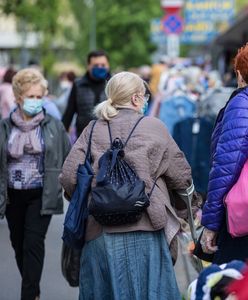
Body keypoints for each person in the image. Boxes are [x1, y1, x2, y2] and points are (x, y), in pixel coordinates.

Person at [59, 71, 201, 300]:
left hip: (100, 230)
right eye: (144, 96)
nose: (145, 101)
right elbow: (181, 176)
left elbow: (68, 176)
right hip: (147, 227)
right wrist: (189, 209)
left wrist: (87, 197)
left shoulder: (93, 129)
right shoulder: (155, 127)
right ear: (136, 98)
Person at [0, 68, 71, 300]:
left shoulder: (53, 126)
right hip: (12, 195)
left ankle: (29, 295)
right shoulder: (5, 126)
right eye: (31, 97)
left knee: (33, 243)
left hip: (41, 194)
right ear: (19, 98)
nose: (36, 101)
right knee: (18, 244)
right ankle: (34, 289)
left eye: (39, 96)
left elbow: (68, 156)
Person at [200, 44, 248, 264]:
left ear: (239, 73)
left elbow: (226, 167)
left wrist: (211, 223)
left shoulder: (241, 104)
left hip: (241, 220)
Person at [62, 50, 110, 137]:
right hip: (83, 138)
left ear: (108, 65)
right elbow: (69, 113)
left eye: (103, 65)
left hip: (109, 138)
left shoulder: (114, 84)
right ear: (88, 66)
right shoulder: (78, 85)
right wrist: (61, 135)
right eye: (96, 65)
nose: (100, 67)